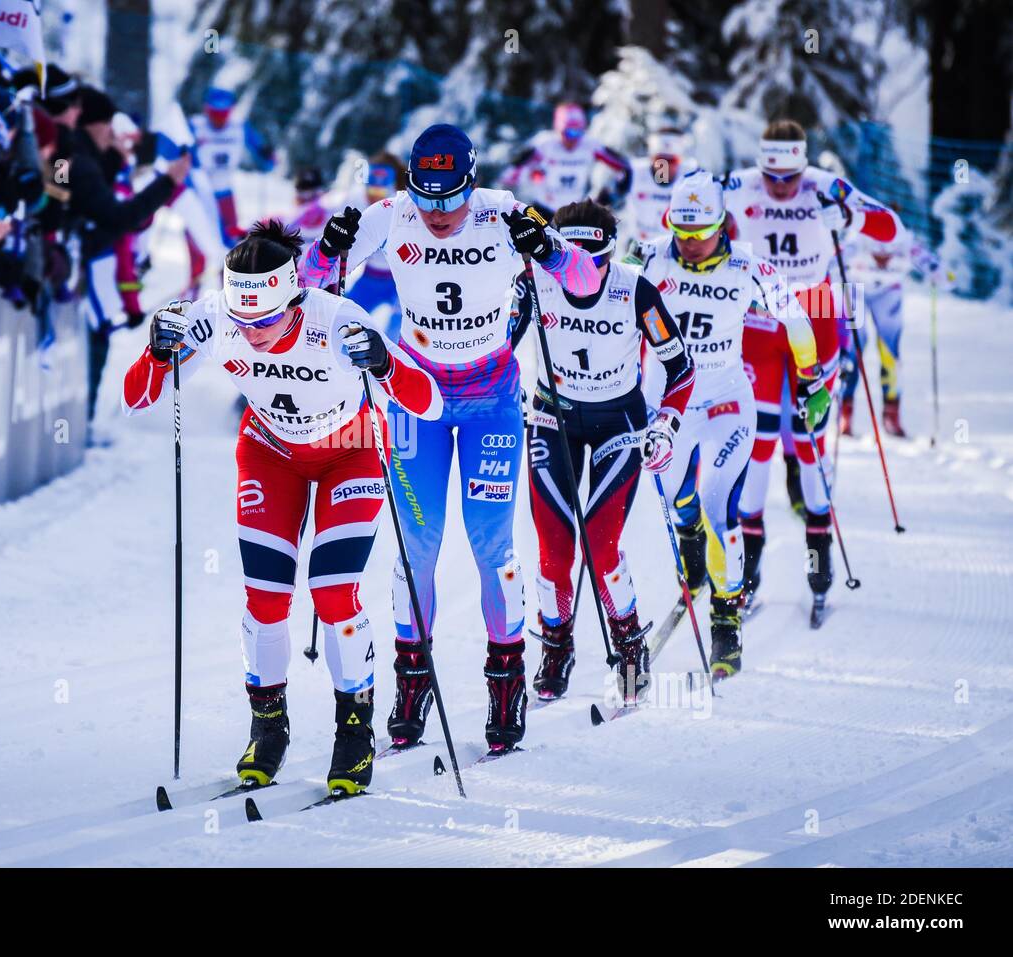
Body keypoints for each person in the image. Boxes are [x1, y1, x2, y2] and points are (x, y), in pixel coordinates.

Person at [301, 123, 603, 753]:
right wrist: (327, 251)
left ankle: (506, 678)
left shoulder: (504, 214)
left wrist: (545, 251)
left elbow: (582, 283)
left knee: (492, 544)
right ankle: (413, 679)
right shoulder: (390, 214)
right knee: (417, 545)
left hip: (491, 397)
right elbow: (311, 291)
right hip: (417, 396)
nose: (437, 213)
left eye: (449, 198)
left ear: (473, 181)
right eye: (425, 196)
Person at [121, 221, 443, 794]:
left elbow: (430, 402)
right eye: (243, 322)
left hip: (352, 450)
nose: (254, 333)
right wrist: (156, 349)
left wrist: (386, 366)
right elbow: (137, 397)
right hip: (270, 451)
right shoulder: (214, 316)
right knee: (265, 599)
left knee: (333, 592)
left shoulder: (337, 319)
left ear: (294, 298)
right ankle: (268, 727)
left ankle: (354, 731)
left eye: (266, 320)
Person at [641, 172, 825, 677]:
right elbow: (592, 279)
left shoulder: (749, 265)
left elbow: (797, 318)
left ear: (723, 224)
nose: (692, 242)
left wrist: (810, 378)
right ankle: (691, 549)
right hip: (667, 407)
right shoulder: (651, 256)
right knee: (679, 503)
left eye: (702, 231)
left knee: (719, 506)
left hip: (725, 399)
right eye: (682, 230)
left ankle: (727, 616)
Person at [723, 120, 901, 608]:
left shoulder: (827, 186)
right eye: (772, 178)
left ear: (804, 166)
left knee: (808, 441)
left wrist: (849, 219)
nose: (781, 188)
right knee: (756, 443)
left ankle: (818, 564)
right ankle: (748, 573)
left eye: (790, 178)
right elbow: (684, 211)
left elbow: (893, 226)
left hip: (816, 314)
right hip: (760, 321)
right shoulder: (740, 184)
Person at [524, 200, 695, 703]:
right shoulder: (533, 279)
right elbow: (496, 343)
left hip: (617, 420)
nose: (583, 274)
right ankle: (556, 642)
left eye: (595, 261)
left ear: (610, 252)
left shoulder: (633, 287)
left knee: (602, 547)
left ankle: (628, 638)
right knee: (554, 554)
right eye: (571, 259)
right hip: (551, 417)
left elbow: (680, 367)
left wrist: (666, 424)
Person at [62, 86, 189, 433]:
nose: (119, 143)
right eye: (112, 131)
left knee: (92, 345)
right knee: (91, 346)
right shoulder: (83, 163)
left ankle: (80, 422)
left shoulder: (94, 162)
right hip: (86, 275)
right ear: (97, 125)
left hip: (92, 274)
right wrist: (166, 184)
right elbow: (121, 222)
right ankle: (78, 423)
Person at [839, 226, 949, 438]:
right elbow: (833, 257)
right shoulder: (858, 236)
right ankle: (845, 413)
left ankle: (892, 414)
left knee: (890, 352)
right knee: (852, 351)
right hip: (856, 290)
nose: (882, 256)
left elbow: (930, 263)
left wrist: (939, 274)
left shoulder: (903, 237)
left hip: (888, 292)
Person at [500, 102, 630, 217]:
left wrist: (617, 191)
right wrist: (526, 176)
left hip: (572, 210)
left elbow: (623, 166)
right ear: (558, 129)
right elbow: (514, 168)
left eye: (578, 133)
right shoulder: (545, 144)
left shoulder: (590, 145)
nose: (573, 139)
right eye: (568, 133)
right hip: (544, 207)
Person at [189, 86, 275, 246]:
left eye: (224, 114)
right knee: (198, 241)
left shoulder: (239, 126)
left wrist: (266, 155)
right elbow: (177, 153)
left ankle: (227, 269)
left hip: (224, 191)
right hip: (199, 192)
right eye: (215, 114)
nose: (219, 119)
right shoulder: (195, 126)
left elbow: (263, 156)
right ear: (206, 110)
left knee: (230, 239)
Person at [344, 152, 406, 340]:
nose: (373, 196)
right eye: (370, 188)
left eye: (380, 190)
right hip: (370, 279)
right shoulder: (357, 200)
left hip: (400, 283)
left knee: (400, 335)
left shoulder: (405, 205)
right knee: (343, 320)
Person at [622, 128, 696, 260]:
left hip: (674, 251)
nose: (665, 167)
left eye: (671, 161)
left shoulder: (692, 176)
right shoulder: (634, 172)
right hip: (639, 247)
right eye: (660, 160)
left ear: (680, 160)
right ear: (651, 158)